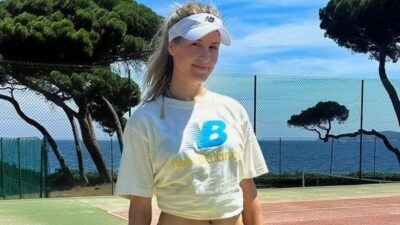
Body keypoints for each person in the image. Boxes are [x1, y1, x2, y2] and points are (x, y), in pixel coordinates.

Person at [116, 2, 268, 225]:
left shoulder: (234, 110)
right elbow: (139, 206)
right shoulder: (145, 120)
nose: (205, 56)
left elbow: (248, 191)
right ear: (172, 46)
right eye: (195, 44)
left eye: (213, 47)